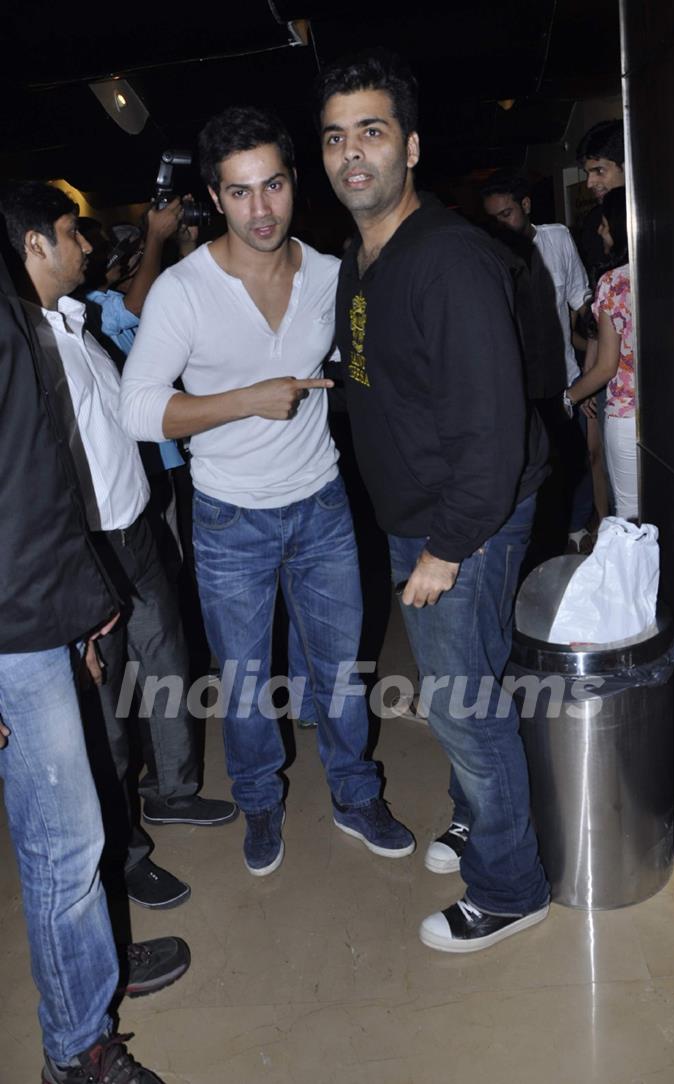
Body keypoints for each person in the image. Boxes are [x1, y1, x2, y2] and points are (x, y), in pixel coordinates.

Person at [120, 105, 414, 877]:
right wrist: (245, 399)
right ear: (216, 199)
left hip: (320, 506)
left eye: (274, 185)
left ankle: (355, 795)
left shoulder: (329, 273)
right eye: (241, 192)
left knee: (342, 671)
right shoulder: (184, 292)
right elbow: (137, 407)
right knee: (246, 687)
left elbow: (369, 364)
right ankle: (259, 803)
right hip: (227, 519)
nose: (261, 209)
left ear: (293, 183)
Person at [315, 49, 550, 952]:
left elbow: (491, 429)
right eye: (336, 138)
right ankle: (475, 815)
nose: (351, 154)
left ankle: (510, 884)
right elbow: (380, 363)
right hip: (421, 510)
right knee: (471, 682)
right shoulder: (361, 257)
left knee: (461, 699)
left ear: (410, 147)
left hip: (466, 518)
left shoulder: (449, 258)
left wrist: (446, 547)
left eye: (370, 132)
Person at [0, 181, 237, 913]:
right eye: (73, 233)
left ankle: (172, 791)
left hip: (133, 528)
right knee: (101, 714)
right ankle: (122, 855)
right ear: (34, 244)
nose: (88, 246)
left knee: (166, 661)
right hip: (83, 546)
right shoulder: (21, 346)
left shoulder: (76, 323)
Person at [0, 232, 187, 1083]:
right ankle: (76, 1051)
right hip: (9, 635)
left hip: (41, 605)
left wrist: (80, 608)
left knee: (76, 835)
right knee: (61, 845)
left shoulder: (24, 315)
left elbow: (33, 487)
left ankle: (91, 972)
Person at [481, 171, 593, 551]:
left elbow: (581, 301)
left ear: (526, 206)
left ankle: (577, 528)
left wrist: (591, 373)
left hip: (565, 379)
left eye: (507, 213)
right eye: (493, 217)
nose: (501, 223)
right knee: (531, 472)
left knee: (575, 462)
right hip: (520, 390)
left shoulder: (558, 238)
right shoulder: (489, 256)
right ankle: (537, 542)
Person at [565, 188, 637, 519]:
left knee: (629, 515)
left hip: (626, 411)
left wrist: (568, 397)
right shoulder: (670, 272)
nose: (600, 230)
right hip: (673, 413)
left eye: (606, 223)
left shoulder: (613, 282)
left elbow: (607, 367)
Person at [575, 119, 625, 271]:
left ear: (626, 166)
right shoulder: (593, 223)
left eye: (599, 171)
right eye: (587, 173)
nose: (589, 183)